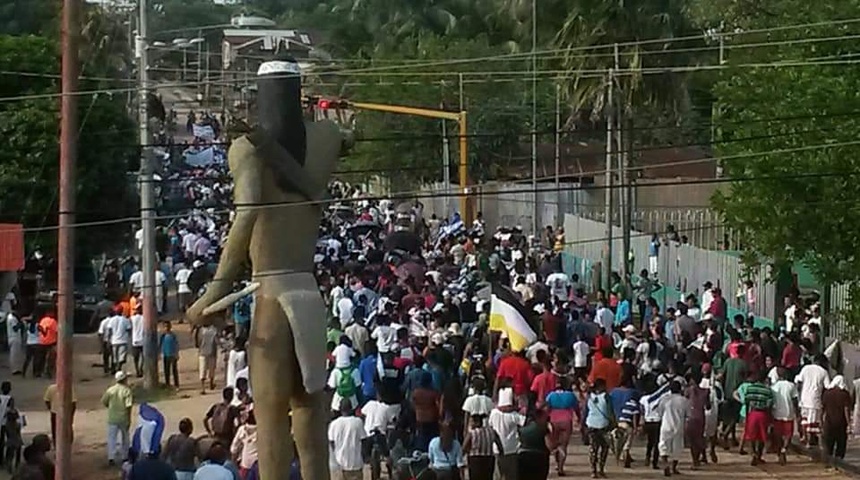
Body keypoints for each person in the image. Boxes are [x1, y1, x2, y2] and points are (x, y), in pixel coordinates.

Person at [488, 387, 525, 480]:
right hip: (511, 449)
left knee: (498, 476)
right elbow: (524, 422)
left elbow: (490, 426)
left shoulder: (494, 413)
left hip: (497, 449)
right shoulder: (514, 416)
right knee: (511, 476)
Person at [545, 376, 578, 476]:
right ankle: (561, 467)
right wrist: (579, 419)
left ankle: (556, 462)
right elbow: (576, 408)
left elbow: (547, 408)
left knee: (555, 444)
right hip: (567, 421)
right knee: (563, 445)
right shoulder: (571, 395)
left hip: (554, 421)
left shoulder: (551, 395)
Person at [795, 354, 830, 447]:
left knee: (805, 419)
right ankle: (810, 440)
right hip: (815, 399)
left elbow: (798, 382)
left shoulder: (806, 368)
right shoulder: (824, 372)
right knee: (813, 421)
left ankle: (804, 437)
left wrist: (799, 395)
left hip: (804, 398)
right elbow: (827, 387)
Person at [327, 399, 366, 480]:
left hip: (339, 464)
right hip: (355, 463)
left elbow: (331, 442)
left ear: (340, 409)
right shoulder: (358, 422)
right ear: (351, 409)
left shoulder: (334, 424)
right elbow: (364, 440)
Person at [102, 371, 134, 466]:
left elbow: (104, 401)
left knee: (112, 438)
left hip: (112, 418)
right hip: (123, 418)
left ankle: (111, 457)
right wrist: (129, 419)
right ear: (124, 379)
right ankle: (125, 456)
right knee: (125, 438)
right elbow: (128, 406)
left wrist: (111, 407)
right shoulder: (127, 391)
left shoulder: (110, 390)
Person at [658, 380, 688, 477]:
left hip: (666, 425)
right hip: (678, 426)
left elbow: (660, 412)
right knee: (677, 447)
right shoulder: (684, 400)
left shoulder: (665, 399)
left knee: (663, 445)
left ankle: (665, 464)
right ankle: (674, 468)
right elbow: (687, 415)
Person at [584, 378, 613, 479]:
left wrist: (583, 425)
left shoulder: (589, 397)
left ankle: (593, 470)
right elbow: (610, 412)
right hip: (604, 425)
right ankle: (601, 469)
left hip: (591, 424)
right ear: (602, 386)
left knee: (593, 449)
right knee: (604, 448)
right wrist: (614, 423)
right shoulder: (606, 396)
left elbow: (585, 411)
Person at [822, 374, 851, 469]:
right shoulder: (845, 394)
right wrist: (849, 424)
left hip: (829, 422)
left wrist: (821, 421)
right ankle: (838, 463)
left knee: (829, 442)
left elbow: (823, 409)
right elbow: (846, 409)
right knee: (840, 443)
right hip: (841, 423)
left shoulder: (827, 393)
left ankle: (828, 462)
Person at [770, 367, 798, 465]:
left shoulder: (774, 387)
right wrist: (797, 412)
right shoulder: (791, 386)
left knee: (777, 435)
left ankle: (779, 453)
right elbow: (795, 400)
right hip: (788, 413)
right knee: (788, 435)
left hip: (776, 413)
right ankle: (784, 450)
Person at [462, 414, 502, 480]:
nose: (471, 424)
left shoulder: (472, 433)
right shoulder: (491, 431)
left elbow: (464, 447)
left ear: (476, 422)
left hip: (475, 460)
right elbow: (499, 444)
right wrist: (501, 453)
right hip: (489, 459)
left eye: (471, 422)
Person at [517, 409, 551, 480]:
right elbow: (550, 445)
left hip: (523, 456)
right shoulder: (543, 429)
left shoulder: (521, 429)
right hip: (540, 457)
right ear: (539, 418)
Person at [43, 382, 76, 447]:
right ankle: (67, 446)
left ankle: (57, 447)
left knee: (55, 430)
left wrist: (51, 408)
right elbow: (73, 403)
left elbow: (47, 400)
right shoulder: (69, 388)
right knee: (67, 429)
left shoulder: (51, 388)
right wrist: (71, 415)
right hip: (65, 412)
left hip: (55, 412)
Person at [230, 409, 258, 479]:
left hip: (246, 464)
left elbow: (234, 448)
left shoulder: (242, 429)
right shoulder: (263, 430)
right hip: (260, 466)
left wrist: (233, 464)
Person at [198, 325, 220, 394]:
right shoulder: (214, 330)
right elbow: (217, 341)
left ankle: (203, 388)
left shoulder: (201, 330)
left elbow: (198, 341)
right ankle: (211, 384)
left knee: (202, 370)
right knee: (211, 369)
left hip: (203, 352)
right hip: (212, 352)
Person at [4, 398, 22, 474]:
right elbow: (18, 430)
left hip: (11, 439)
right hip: (15, 439)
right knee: (16, 452)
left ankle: (9, 466)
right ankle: (15, 466)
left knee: (10, 453)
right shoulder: (16, 424)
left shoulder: (7, 424)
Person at [160, 321, 180, 388]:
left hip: (173, 355)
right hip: (166, 355)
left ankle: (176, 384)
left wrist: (177, 354)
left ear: (170, 327)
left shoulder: (173, 335)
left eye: (168, 326)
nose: (166, 328)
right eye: (165, 327)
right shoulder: (163, 336)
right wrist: (161, 354)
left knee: (174, 370)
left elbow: (176, 345)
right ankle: (167, 384)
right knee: (166, 370)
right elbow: (161, 346)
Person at [130, 304, 145, 377]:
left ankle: (137, 370)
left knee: (136, 358)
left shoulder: (132, 318)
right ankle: (141, 368)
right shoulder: (144, 318)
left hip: (135, 340)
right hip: (143, 340)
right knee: (143, 357)